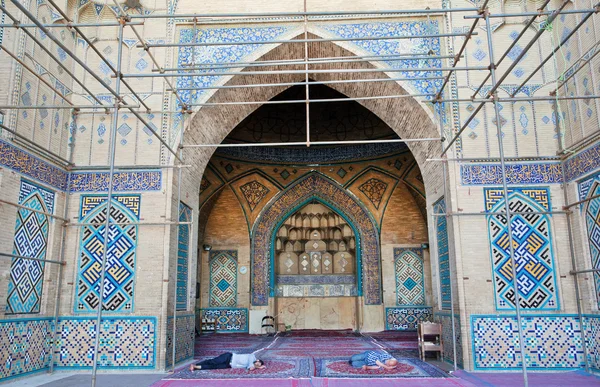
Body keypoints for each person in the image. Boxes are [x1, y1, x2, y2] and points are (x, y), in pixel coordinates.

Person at [189, 352, 265, 371]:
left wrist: (258, 367)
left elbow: (250, 368)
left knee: (213, 367)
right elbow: (251, 366)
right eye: (258, 363)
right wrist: (258, 367)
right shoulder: (252, 357)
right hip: (228, 357)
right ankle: (196, 364)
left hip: (229, 365)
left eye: (258, 365)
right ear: (257, 360)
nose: (257, 365)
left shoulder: (252, 365)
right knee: (213, 362)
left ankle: (195, 367)